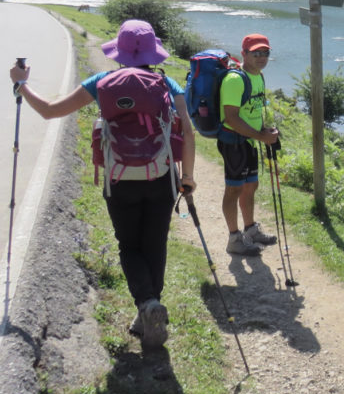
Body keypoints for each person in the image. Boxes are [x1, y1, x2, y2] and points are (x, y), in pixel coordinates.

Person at [9, 19, 196, 350]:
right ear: (154, 52)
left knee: (128, 244)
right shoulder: (168, 84)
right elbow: (188, 133)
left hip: (119, 177)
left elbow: (51, 111)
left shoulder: (103, 81)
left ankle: (146, 305)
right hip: (161, 176)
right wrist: (187, 178)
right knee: (155, 243)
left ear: (118, 52)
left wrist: (21, 85)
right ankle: (150, 306)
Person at [218, 33, 279, 256]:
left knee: (251, 186)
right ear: (244, 53)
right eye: (256, 53)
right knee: (233, 189)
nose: (262, 57)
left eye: (266, 53)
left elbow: (254, 108)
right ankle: (234, 239)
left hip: (251, 140)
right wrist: (260, 136)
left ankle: (250, 230)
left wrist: (264, 131)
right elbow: (231, 117)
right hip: (234, 141)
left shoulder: (259, 76)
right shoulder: (235, 79)